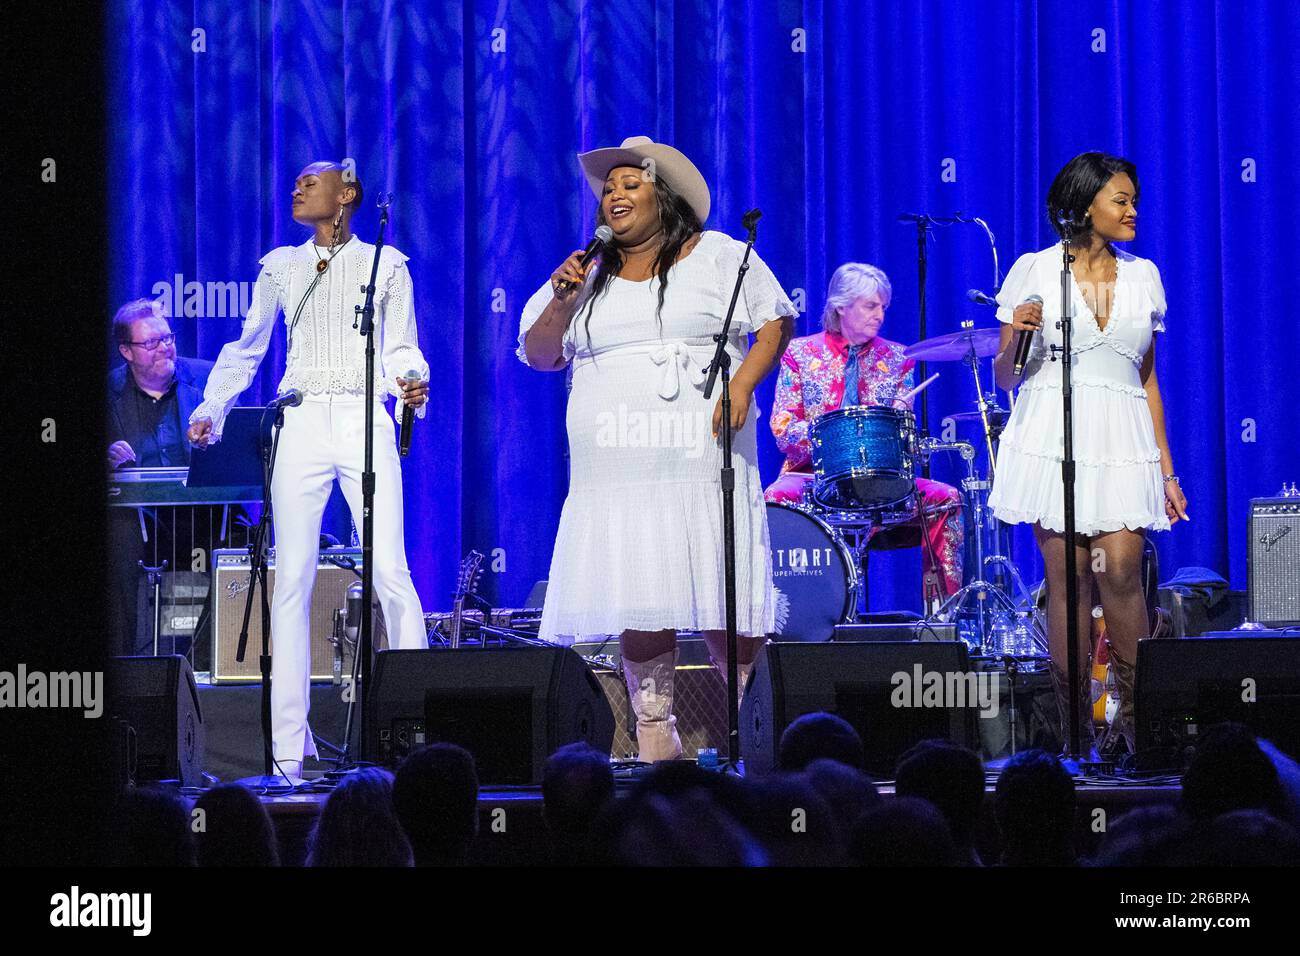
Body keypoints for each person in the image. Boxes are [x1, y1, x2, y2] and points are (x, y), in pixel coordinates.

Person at [518, 136, 795, 761]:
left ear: (661, 197)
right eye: (608, 188)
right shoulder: (586, 271)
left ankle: (755, 734)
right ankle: (653, 738)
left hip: (701, 454)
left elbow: (774, 319)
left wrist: (745, 384)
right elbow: (539, 354)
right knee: (641, 585)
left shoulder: (719, 254)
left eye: (628, 184)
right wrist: (564, 298)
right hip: (616, 463)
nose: (613, 195)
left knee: (723, 588)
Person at [187, 160, 430, 780]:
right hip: (299, 421)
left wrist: (411, 377)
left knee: (390, 572)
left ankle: (415, 735)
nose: (297, 188)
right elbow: (247, 347)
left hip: (363, 417)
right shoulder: (279, 266)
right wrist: (212, 406)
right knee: (290, 581)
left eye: (310, 182)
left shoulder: (387, 264)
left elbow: (401, 343)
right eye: (294, 182)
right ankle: (289, 753)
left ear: (346, 195)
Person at [989, 152, 1188, 758]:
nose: (1133, 211)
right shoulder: (1034, 269)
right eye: (1120, 201)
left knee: (1122, 571)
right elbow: (1005, 376)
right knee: (1070, 581)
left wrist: (1167, 470)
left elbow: (1149, 379)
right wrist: (1019, 334)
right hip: (1055, 431)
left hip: (1123, 435)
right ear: (1084, 205)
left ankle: (1133, 727)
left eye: (1133, 201)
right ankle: (1073, 733)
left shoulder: (1144, 275)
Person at [766, 263, 964, 603]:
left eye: (883, 307)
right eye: (871, 306)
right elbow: (783, 428)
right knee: (774, 499)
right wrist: (838, 442)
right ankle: (787, 614)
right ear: (842, 305)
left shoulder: (899, 357)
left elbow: (906, 444)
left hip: (882, 485)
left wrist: (901, 423)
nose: (880, 315)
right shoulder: (799, 354)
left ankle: (942, 616)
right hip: (814, 479)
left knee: (946, 499)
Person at [106, 299, 216, 655]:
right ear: (126, 351)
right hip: (139, 518)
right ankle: (124, 663)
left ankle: (213, 656)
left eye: (167, 338)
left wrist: (215, 440)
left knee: (246, 537)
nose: (164, 347)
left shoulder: (208, 379)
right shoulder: (107, 393)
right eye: (151, 343)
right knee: (117, 535)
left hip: (203, 512)